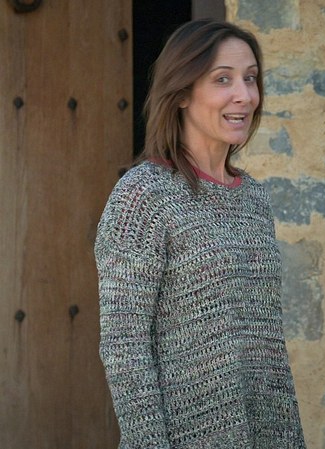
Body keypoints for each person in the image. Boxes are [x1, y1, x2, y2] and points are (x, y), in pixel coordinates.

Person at [95, 19, 306, 448]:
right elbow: (124, 346)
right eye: (222, 79)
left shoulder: (253, 198)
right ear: (182, 93)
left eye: (250, 78)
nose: (244, 95)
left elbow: (264, 345)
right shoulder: (143, 195)